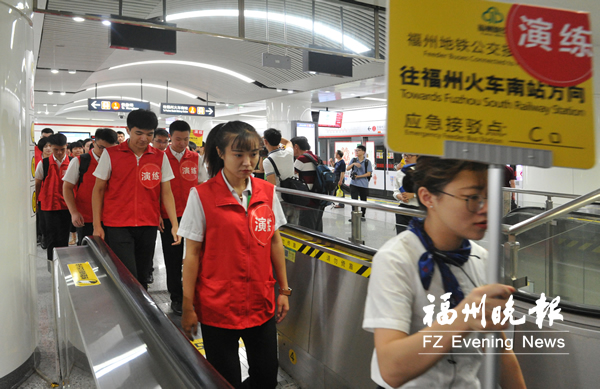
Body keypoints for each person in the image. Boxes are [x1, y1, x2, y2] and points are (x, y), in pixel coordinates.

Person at [363, 156, 526, 389]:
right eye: (472, 197)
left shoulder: (482, 260)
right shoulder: (396, 259)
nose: (487, 208)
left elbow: (499, 351)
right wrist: (464, 317)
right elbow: (390, 367)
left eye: (490, 196)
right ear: (428, 197)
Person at [179, 121, 290, 389]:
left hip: (260, 301)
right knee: (224, 379)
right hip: (218, 305)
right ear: (220, 153)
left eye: (254, 154)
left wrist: (284, 290)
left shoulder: (266, 192)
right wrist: (187, 305)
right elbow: (191, 254)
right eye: (238, 154)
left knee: (266, 377)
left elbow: (275, 241)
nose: (247, 162)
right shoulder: (202, 195)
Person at [92, 109, 181, 290]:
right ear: (128, 130)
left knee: (143, 274)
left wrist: (174, 224)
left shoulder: (159, 157)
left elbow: (166, 193)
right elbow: (98, 190)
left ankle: (143, 315)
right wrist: (97, 225)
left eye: (149, 134)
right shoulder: (111, 154)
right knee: (126, 274)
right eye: (138, 133)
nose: (144, 139)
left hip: (147, 224)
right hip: (117, 224)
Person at [158, 120, 208, 315]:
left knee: (196, 256)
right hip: (169, 216)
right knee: (172, 259)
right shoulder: (160, 158)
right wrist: (157, 213)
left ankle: (194, 294)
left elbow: (204, 185)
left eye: (186, 139)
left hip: (194, 214)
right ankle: (176, 297)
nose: (182, 143)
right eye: (178, 139)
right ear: (170, 137)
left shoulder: (196, 158)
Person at [63, 129, 118, 246]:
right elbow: (67, 187)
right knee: (89, 255)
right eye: (101, 147)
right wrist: (74, 212)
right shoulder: (80, 161)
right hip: (87, 219)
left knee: (112, 256)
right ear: (94, 143)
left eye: (110, 149)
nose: (105, 152)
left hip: (113, 219)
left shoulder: (117, 161)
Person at [34, 133, 71, 261]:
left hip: (67, 207)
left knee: (64, 237)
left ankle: (63, 265)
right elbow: (37, 184)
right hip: (48, 207)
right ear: (50, 147)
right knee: (51, 238)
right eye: (56, 149)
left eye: (62, 149)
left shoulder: (72, 162)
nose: (59, 152)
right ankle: (52, 265)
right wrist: (35, 204)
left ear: (66, 147)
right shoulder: (43, 164)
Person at [291, 136, 324, 232]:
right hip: (318, 199)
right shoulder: (315, 157)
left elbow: (290, 175)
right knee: (317, 229)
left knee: (306, 230)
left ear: (296, 147)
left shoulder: (301, 159)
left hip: (307, 201)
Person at [262, 128, 294, 199]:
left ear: (265, 141)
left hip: (280, 198)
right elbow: (288, 142)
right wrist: (276, 137)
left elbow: (272, 185)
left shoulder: (268, 161)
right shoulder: (289, 152)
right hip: (293, 195)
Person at [393, 154, 419, 233]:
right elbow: (395, 191)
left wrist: (414, 195)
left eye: (410, 155)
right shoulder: (399, 173)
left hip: (418, 209)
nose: (406, 158)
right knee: (401, 236)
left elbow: (430, 192)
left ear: (418, 157)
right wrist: (399, 196)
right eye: (405, 155)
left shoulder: (423, 173)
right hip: (402, 210)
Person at [346, 144, 372, 220]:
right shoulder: (354, 160)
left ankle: (362, 215)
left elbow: (369, 173)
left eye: (359, 150)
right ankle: (354, 216)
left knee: (363, 201)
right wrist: (353, 164)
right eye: (356, 150)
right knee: (354, 201)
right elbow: (347, 168)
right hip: (354, 183)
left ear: (363, 152)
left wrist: (358, 176)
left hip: (363, 184)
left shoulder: (367, 162)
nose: (357, 152)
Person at [36, 137, 53, 248]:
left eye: (49, 146)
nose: (48, 149)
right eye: (45, 146)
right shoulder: (39, 161)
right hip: (43, 196)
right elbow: (37, 183)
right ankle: (43, 237)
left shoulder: (58, 159)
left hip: (56, 196)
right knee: (43, 221)